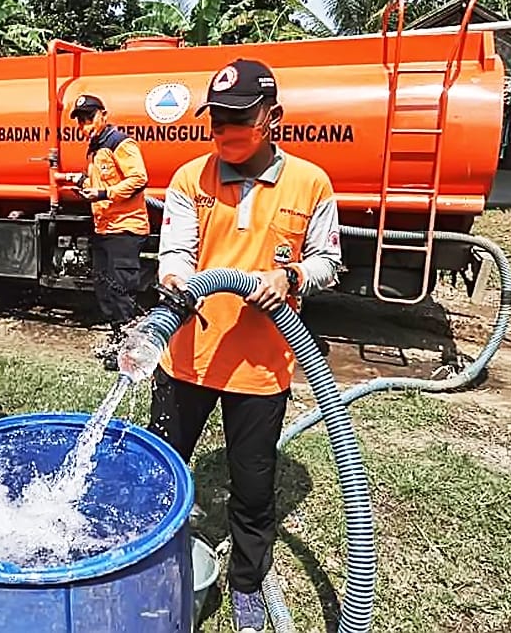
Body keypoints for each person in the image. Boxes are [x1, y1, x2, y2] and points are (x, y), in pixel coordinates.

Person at [150, 59, 342, 632]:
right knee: (160, 470)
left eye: (240, 119)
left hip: (261, 368)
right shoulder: (190, 180)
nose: (226, 132)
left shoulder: (310, 182)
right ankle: (149, 556)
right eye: (217, 122)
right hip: (187, 357)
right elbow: (178, 255)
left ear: (272, 118)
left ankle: (246, 582)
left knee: (253, 487)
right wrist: (175, 279)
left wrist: (294, 278)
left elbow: (329, 262)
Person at [66, 94, 151, 371]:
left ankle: (132, 353)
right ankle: (118, 344)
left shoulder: (119, 143)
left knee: (122, 293)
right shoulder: (95, 147)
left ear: (103, 115)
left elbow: (138, 179)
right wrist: (81, 181)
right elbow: (103, 178)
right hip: (105, 228)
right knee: (106, 292)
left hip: (125, 229)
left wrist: (103, 193)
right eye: (81, 121)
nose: (85, 125)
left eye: (89, 118)